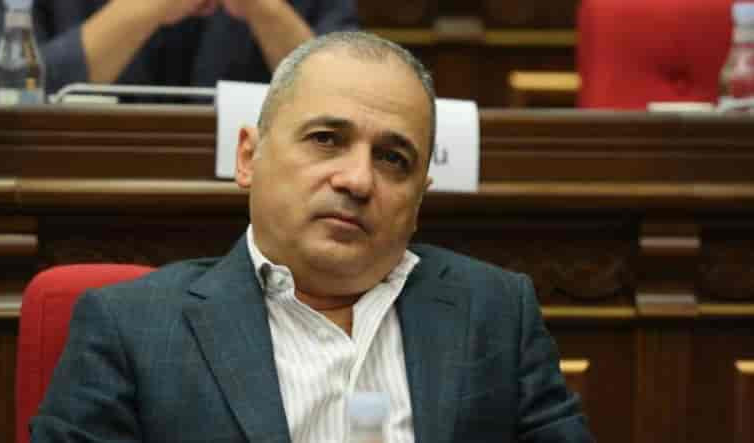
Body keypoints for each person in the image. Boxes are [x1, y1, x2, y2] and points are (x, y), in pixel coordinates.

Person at [30, 31, 594, 442]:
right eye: (326, 139)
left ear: (419, 198)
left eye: (393, 159)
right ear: (248, 157)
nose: (357, 180)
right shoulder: (131, 330)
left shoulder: (495, 312)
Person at [0, 0, 357, 100]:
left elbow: (356, 101)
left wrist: (265, 9)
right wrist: (142, 9)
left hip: (257, 212)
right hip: (69, 202)